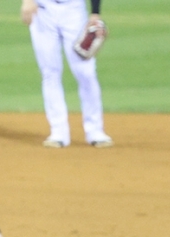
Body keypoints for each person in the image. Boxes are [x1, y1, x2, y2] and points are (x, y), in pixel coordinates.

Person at [21, 0, 113, 148]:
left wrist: (95, 12)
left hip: (74, 9)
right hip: (42, 9)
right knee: (50, 72)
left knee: (86, 72)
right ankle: (58, 133)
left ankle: (95, 131)